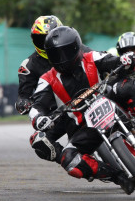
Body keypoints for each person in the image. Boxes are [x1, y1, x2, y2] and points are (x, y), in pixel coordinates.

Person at [29, 26, 135, 193]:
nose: (62, 59)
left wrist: (125, 60)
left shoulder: (91, 57)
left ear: (76, 47)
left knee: (133, 87)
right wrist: (39, 118)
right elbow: (36, 105)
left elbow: (111, 60)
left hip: (109, 100)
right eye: (56, 54)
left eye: (66, 52)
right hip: (84, 126)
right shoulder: (46, 79)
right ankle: (117, 176)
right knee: (70, 162)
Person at [15, 15, 92, 165]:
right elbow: (23, 94)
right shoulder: (28, 66)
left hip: (90, 95)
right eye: (41, 40)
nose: (47, 43)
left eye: (50, 38)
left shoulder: (77, 47)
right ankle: (76, 162)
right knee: (39, 141)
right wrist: (23, 102)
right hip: (60, 112)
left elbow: (98, 59)